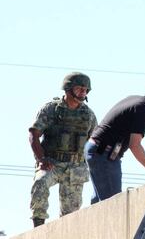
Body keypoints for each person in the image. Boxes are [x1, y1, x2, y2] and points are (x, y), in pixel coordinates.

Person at [84, 81, 145, 204]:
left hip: (98, 151)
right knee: (113, 205)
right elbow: (135, 145)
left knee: (99, 204)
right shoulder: (142, 110)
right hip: (103, 154)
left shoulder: (137, 101)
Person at [29, 72, 97, 227]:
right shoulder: (51, 110)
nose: (83, 92)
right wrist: (41, 159)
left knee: (70, 216)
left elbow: (95, 141)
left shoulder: (89, 115)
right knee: (40, 183)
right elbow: (34, 134)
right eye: (79, 88)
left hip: (75, 167)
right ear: (68, 89)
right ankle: (38, 228)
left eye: (86, 90)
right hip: (51, 162)